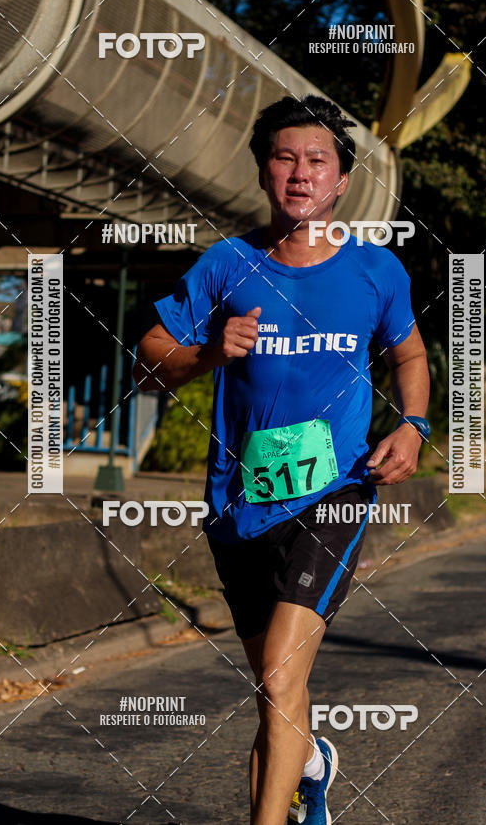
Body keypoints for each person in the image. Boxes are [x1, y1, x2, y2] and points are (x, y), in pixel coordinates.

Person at [133, 94, 430, 825]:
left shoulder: (376, 270)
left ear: (341, 180)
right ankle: (314, 765)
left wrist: (415, 424)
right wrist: (207, 353)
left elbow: (410, 352)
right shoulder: (227, 265)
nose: (301, 174)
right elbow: (148, 362)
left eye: (318, 161)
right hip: (240, 501)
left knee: (276, 673)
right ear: (264, 171)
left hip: (334, 492)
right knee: (276, 687)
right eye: (286, 158)